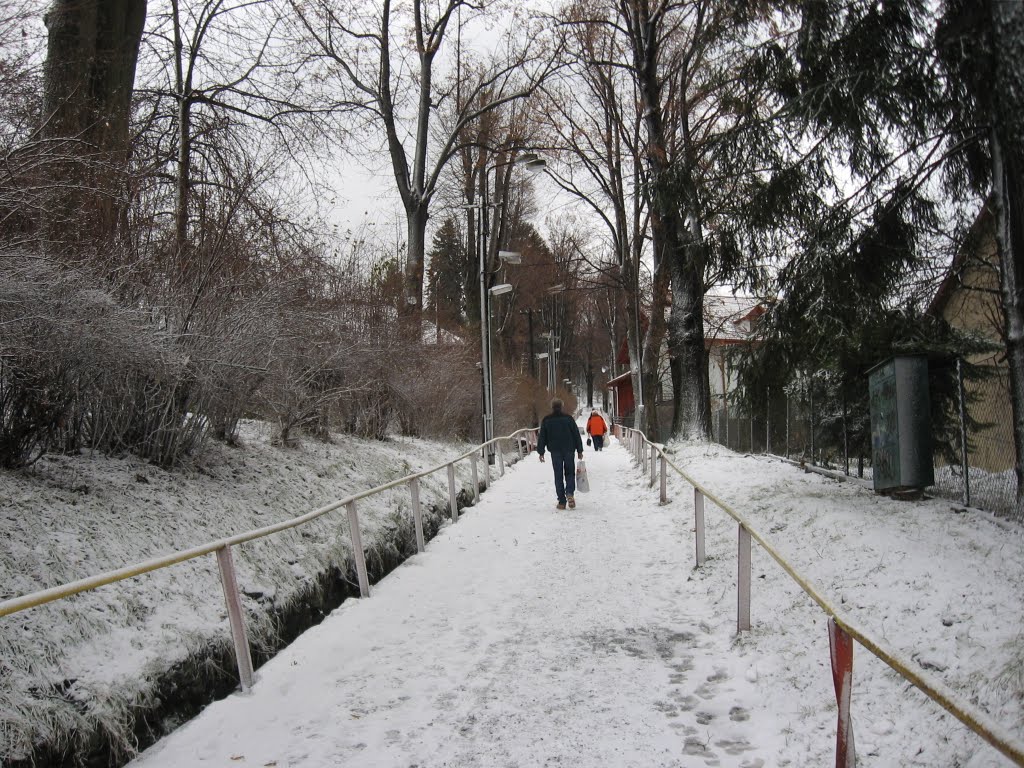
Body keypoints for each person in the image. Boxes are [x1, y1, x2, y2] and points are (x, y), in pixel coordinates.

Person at [536, 398, 584, 510]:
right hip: (569, 449)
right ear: (561, 406)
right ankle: (570, 493)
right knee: (569, 473)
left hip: (555, 451)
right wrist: (579, 450)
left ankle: (562, 502)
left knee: (558, 475)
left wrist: (541, 452)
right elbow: (576, 434)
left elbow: (542, 437)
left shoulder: (547, 420)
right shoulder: (568, 419)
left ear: (552, 407)